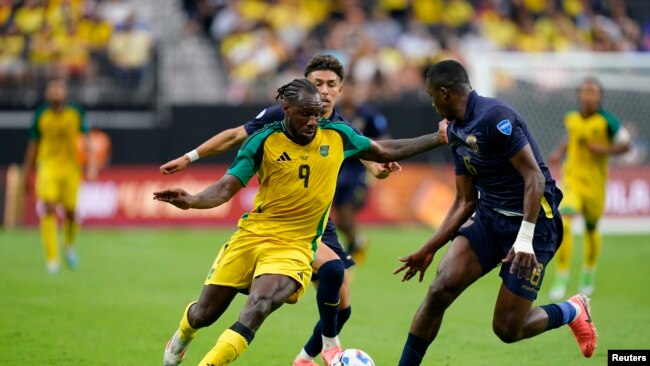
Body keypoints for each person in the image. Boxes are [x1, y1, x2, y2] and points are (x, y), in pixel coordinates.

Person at [155, 78, 445, 366]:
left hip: (295, 247)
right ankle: (182, 335)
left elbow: (384, 150)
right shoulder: (263, 140)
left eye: (317, 114)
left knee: (258, 306)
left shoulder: (337, 135)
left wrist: (438, 137)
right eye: (305, 113)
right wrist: (192, 200)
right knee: (203, 315)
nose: (312, 121)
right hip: (252, 236)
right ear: (286, 109)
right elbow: (224, 188)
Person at [393, 60, 597, 365]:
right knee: (439, 290)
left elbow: (535, 178)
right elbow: (465, 201)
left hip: (535, 225)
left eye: (432, 95)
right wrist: (428, 249)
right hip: (489, 218)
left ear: (445, 93)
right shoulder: (457, 130)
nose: (432, 103)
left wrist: (525, 239)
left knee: (507, 328)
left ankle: (572, 310)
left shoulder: (495, 118)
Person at [548, 77, 631, 300]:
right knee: (564, 221)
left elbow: (626, 144)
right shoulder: (572, 117)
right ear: (579, 95)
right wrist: (559, 152)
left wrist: (604, 150)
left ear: (599, 96)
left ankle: (588, 271)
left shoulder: (608, 122)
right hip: (572, 179)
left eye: (592, 92)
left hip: (595, 185)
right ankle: (562, 275)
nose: (588, 96)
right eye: (584, 91)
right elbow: (572, 137)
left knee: (591, 228)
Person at [23, 79, 97, 274]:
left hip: (71, 168)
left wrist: (91, 165)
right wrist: (26, 173)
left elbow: (87, 140)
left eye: (59, 88)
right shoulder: (41, 115)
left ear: (65, 92)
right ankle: (52, 259)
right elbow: (33, 145)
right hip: (47, 166)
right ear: (47, 93)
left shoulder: (76, 112)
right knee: (48, 207)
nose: (55, 91)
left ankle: (68, 245)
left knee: (71, 213)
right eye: (52, 88)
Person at [335, 83, 392, 263]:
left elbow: (384, 138)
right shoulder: (335, 114)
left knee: (348, 211)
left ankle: (350, 255)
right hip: (338, 168)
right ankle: (357, 241)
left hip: (359, 168)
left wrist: (371, 152)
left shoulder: (368, 114)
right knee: (340, 221)